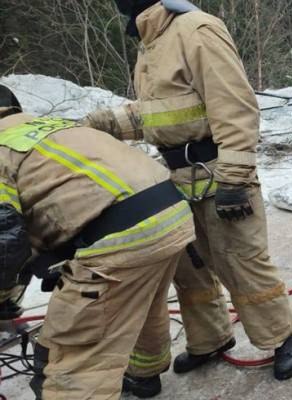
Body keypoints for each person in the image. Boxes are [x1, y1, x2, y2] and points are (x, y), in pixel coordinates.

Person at [84, 0, 292, 393]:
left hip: (220, 171)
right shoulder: (152, 41)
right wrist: (101, 124)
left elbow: (234, 105)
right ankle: (211, 340)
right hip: (178, 176)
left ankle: (281, 336)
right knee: (190, 268)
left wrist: (235, 177)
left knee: (241, 262)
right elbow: (161, 114)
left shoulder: (196, 28)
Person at [0, 84, 196, 399]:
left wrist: (3, 296)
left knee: (76, 350)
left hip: (121, 234)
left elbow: (5, 242)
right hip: (172, 212)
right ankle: (144, 374)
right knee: (142, 301)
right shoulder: (45, 125)